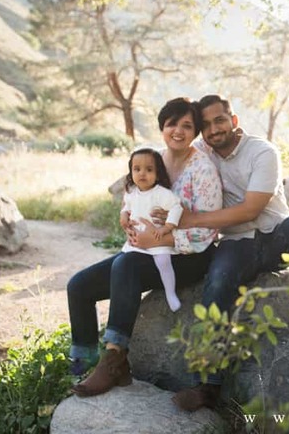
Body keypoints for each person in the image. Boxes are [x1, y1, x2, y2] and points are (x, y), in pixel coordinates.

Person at [170, 94, 289, 412]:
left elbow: (251, 209)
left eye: (219, 120)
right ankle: (208, 386)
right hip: (235, 244)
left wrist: (195, 220)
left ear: (234, 120)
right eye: (206, 125)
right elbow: (170, 161)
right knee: (217, 282)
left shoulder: (263, 151)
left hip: (275, 236)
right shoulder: (202, 152)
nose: (214, 130)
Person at [67, 97, 222, 397]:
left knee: (125, 265)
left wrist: (162, 239)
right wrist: (125, 216)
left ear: (196, 131)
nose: (178, 131)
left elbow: (207, 231)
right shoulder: (153, 159)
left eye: (187, 125)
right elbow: (131, 194)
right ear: (162, 127)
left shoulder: (203, 170)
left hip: (191, 256)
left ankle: (113, 360)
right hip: (145, 251)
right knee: (79, 286)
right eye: (171, 124)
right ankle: (84, 364)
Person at [120, 147, 184, 312]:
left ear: (158, 173)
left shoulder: (162, 193)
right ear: (131, 172)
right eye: (137, 169)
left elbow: (177, 207)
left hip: (157, 239)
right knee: (124, 264)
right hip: (136, 241)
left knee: (163, 261)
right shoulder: (132, 193)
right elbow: (127, 206)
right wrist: (123, 215)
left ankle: (170, 293)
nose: (142, 174)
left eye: (149, 170)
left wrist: (167, 227)